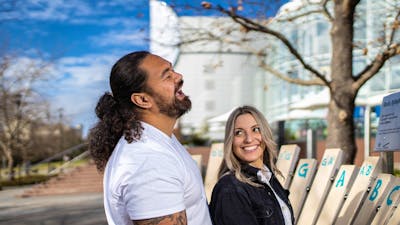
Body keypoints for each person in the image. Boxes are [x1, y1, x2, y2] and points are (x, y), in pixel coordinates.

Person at [88, 51, 212, 225]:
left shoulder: (159, 141)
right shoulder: (148, 161)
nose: (179, 76)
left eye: (173, 70)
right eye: (167, 76)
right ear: (143, 100)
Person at [209, 105, 294, 225]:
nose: (249, 139)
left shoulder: (267, 177)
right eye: (239, 133)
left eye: (256, 129)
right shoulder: (230, 189)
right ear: (231, 141)